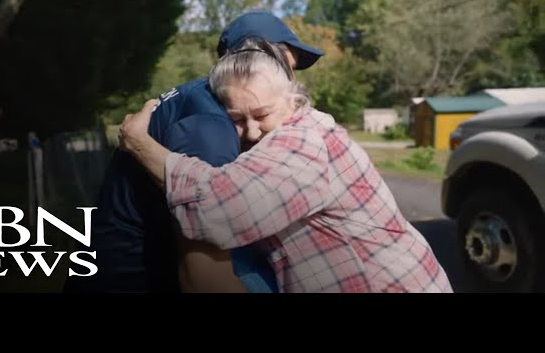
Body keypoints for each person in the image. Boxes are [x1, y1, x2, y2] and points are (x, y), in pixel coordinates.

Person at [118, 38, 454, 293]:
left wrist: (138, 142)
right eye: (236, 119)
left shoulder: (302, 142)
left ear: (294, 98)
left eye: (262, 114)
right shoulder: (295, 131)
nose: (251, 130)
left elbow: (217, 206)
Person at [64, 11, 324, 293]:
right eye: (284, 70)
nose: (290, 86)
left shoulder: (203, 97)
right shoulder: (211, 129)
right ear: (250, 59)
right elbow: (205, 278)